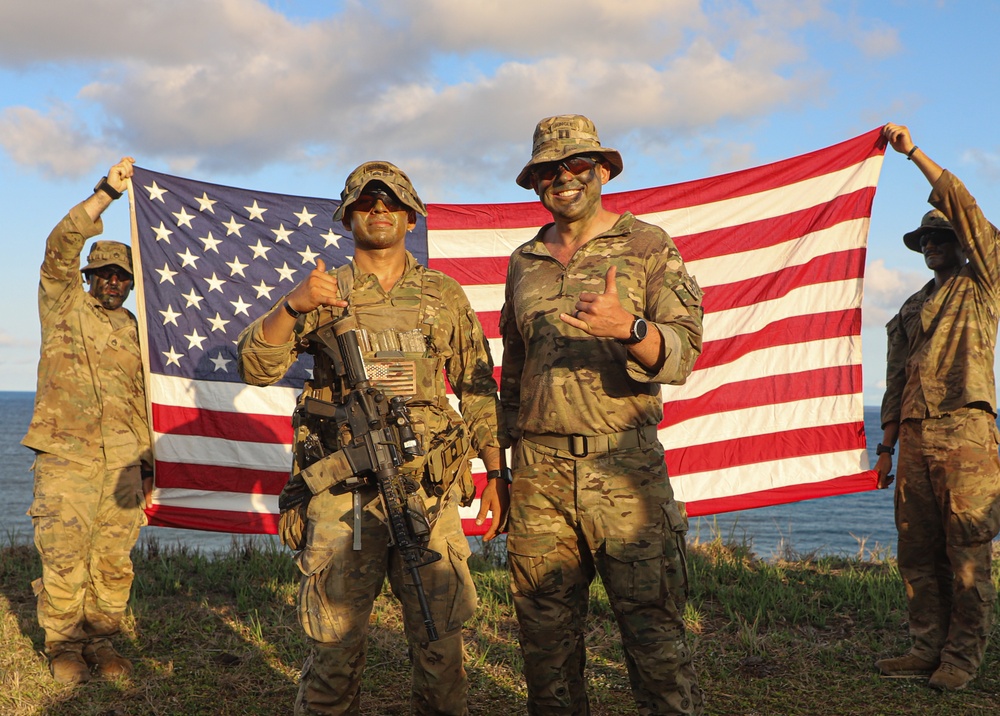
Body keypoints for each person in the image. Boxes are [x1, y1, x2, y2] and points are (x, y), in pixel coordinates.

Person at [237, 161, 507, 715]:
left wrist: (497, 473)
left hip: (427, 493)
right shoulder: (324, 292)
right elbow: (255, 366)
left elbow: (479, 391)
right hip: (343, 497)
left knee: (441, 647)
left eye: (390, 202)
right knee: (334, 649)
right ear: (347, 216)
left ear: (411, 217)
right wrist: (293, 305)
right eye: (366, 202)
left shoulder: (443, 295)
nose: (378, 210)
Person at [499, 114, 705, 715]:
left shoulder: (647, 246)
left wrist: (630, 329)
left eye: (577, 166)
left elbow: (683, 353)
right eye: (549, 171)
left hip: (624, 467)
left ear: (602, 171)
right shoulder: (524, 260)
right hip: (539, 472)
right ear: (536, 182)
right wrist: (501, 470)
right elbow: (513, 369)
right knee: (545, 643)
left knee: (654, 637)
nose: (563, 179)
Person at [873, 122, 1000, 691]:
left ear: (961, 243)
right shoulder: (910, 306)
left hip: (966, 430)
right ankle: (926, 647)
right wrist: (886, 447)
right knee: (917, 550)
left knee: (967, 551)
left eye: (941, 238)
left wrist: (914, 155)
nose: (931, 246)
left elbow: (967, 211)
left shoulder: (982, 285)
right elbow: (896, 378)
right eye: (924, 241)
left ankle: (962, 659)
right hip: (918, 438)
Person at [22, 156, 154, 685]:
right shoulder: (62, 306)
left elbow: (149, 401)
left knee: (112, 560)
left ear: (129, 283)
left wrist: (148, 465)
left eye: (121, 276)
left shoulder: (138, 332)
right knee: (64, 555)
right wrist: (106, 193)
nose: (113, 282)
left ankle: (101, 641)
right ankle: (63, 646)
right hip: (66, 458)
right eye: (103, 274)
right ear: (88, 277)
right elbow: (59, 246)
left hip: (125, 463)